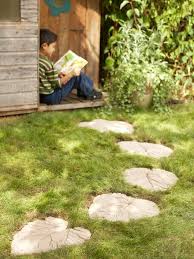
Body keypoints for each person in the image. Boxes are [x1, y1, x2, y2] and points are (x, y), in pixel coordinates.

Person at [39, 28, 102, 105]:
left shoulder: (38, 60)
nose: (54, 49)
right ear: (44, 46)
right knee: (77, 76)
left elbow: (46, 78)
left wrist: (58, 74)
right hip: (52, 98)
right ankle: (91, 93)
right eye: (53, 46)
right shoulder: (47, 63)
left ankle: (87, 92)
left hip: (41, 96)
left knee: (76, 75)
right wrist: (71, 74)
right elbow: (57, 84)